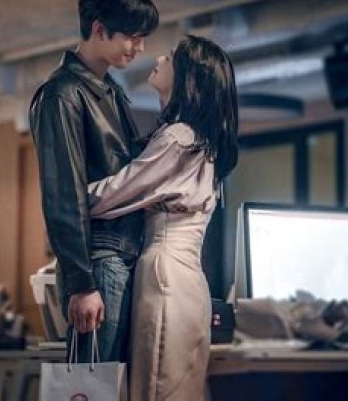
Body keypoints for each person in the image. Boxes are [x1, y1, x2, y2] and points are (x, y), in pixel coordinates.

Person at [88, 35, 239, 400]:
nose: (157, 58)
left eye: (169, 57)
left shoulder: (179, 138)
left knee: (156, 389)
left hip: (164, 275)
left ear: (187, 76)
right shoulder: (201, 141)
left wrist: (65, 197)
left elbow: (114, 194)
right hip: (187, 279)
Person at [29, 0, 159, 363]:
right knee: (95, 383)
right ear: (99, 29)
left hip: (120, 255)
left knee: (113, 382)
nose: (139, 47)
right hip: (100, 260)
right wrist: (81, 283)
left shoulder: (110, 89)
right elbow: (62, 193)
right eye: (132, 36)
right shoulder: (63, 94)